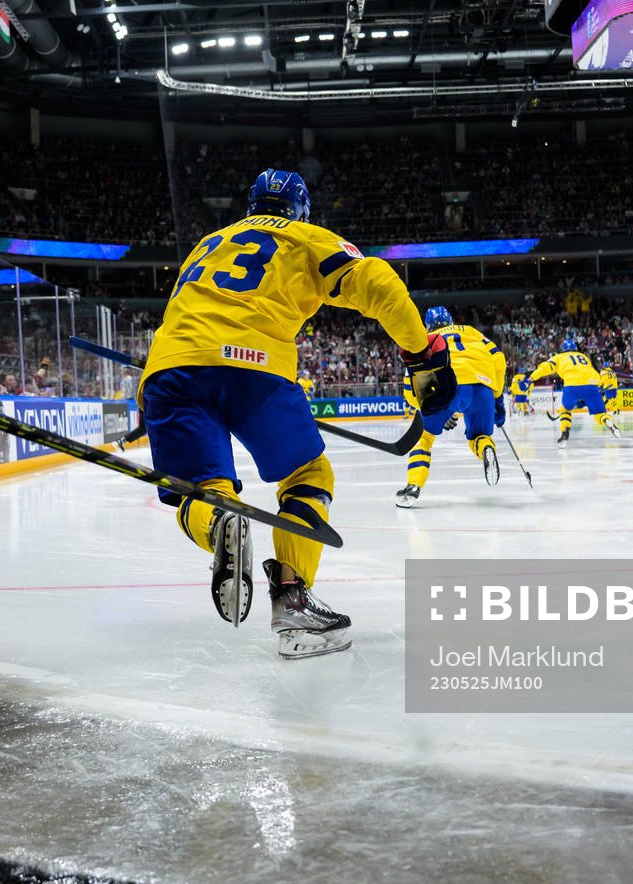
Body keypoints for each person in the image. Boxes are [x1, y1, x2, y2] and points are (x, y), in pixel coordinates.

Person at [139, 168, 453, 656]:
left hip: (170, 366)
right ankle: (291, 597)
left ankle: (216, 521)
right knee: (309, 474)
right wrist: (420, 354)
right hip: (254, 366)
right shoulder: (307, 236)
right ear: (302, 208)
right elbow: (374, 279)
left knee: (197, 488)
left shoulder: (208, 242)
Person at [394, 306, 507, 508]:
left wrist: (431, 406)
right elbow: (499, 359)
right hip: (481, 387)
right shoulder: (471, 332)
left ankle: (413, 486)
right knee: (479, 436)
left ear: (427, 325)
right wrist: (497, 399)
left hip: (445, 385)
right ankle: (487, 448)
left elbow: (411, 382)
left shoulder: (425, 340)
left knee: (424, 438)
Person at [530, 337, 619, 445]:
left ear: (563, 349)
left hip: (572, 385)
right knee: (600, 413)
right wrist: (597, 386)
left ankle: (565, 431)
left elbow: (545, 367)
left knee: (565, 410)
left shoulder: (559, 357)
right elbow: (592, 372)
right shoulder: (584, 357)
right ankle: (607, 421)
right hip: (592, 385)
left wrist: (531, 378)